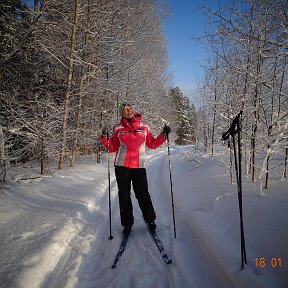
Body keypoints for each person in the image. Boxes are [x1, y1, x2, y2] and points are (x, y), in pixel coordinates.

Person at [101, 101, 171, 235]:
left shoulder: (144, 126)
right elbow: (111, 147)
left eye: (130, 108)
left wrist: (163, 135)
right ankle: (127, 224)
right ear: (121, 113)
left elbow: (152, 144)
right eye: (125, 109)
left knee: (143, 194)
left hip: (139, 166)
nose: (128, 110)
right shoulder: (117, 128)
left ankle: (150, 220)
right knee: (124, 195)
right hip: (122, 167)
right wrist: (104, 137)